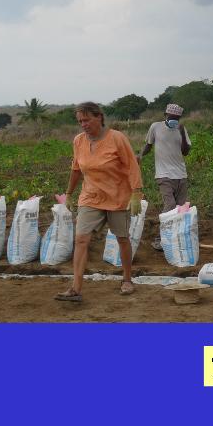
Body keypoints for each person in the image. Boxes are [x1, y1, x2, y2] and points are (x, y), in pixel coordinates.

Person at [55, 102, 143, 302]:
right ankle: (75, 288)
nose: (83, 125)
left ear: (99, 117)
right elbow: (76, 169)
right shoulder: (78, 141)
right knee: (81, 239)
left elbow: (132, 166)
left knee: (122, 239)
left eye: (86, 120)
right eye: (80, 121)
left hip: (117, 196)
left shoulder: (117, 138)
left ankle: (127, 279)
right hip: (91, 196)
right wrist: (69, 193)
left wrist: (136, 193)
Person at [137, 103, 191, 250]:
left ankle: (175, 237)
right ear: (165, 115)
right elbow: (148, 145)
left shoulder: (181, 129)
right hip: (164, 174)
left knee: (180, 208)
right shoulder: (155, 127)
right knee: (170, 205)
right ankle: (160, 238)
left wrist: (181, 133)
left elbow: (186, 151)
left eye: (177, 118)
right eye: (172, 117)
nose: (174, 120)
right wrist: (140, 155)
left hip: (181, 174)